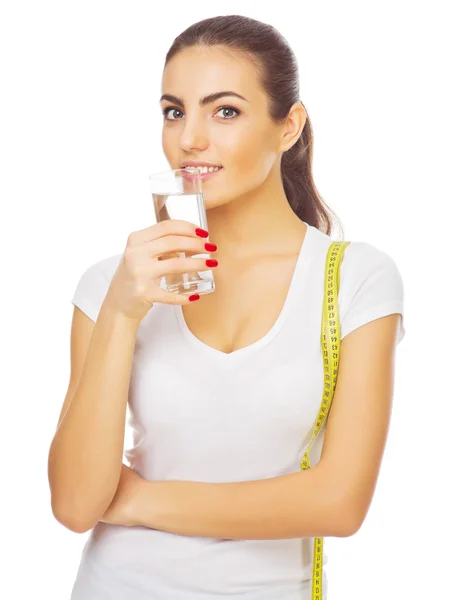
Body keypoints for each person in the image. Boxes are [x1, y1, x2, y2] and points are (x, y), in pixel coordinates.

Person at [48, 14, 405, 600]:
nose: (190, 138)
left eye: (225, 111)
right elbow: (75, 502)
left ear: (288, 126)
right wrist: (118, 313)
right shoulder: (113, 284)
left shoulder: (355, 280)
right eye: (174, 111)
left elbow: (340, 504)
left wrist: (138, 498)